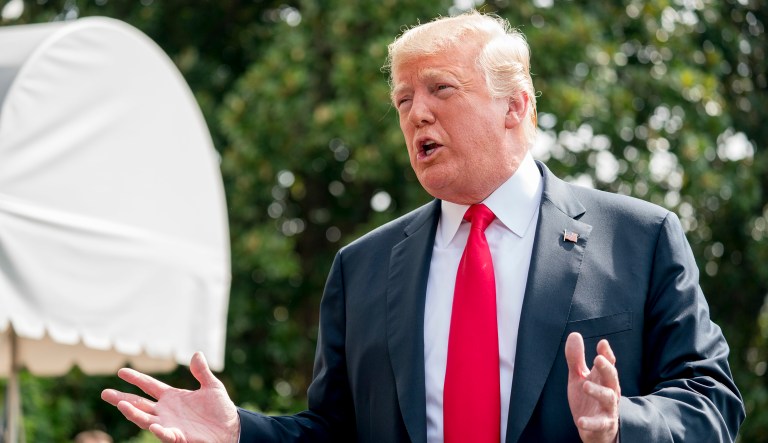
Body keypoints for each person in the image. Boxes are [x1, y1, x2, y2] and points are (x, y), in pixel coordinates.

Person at [101, 10, 745, 443]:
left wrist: (622, 422)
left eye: (441, 90)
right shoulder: (363, 268)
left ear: (515, 106)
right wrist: (243, 431)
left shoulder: (638, 237)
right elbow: (334, 431)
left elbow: (714, 403)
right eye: (404, 100)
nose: (417, 116)